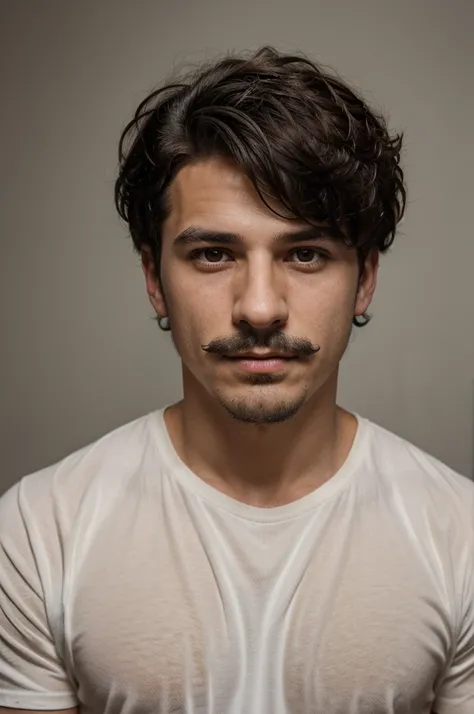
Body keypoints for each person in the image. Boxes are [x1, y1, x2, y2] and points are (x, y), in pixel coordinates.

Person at [0, 45, 472, 714]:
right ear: (153, 280)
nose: (259, 307)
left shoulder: (461, 540)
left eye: (305, 253)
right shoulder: (38, 533)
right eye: (213, 254)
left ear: (364, 279)